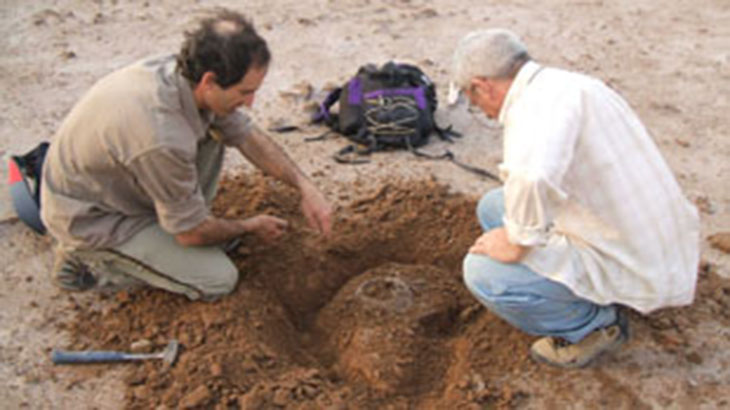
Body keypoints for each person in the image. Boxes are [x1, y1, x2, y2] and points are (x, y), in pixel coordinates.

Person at [40, 10, 333, 301]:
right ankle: (89, 262)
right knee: (218, 279)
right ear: (209, 81)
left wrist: (305, 187)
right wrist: (246, 227)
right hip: (93, 218)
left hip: (118, 182)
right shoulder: (162, 137)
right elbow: (190, 236)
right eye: (244, 92)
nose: (251, 103)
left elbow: (248, 137)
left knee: (217, 131)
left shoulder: (183, 76)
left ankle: (177, 221)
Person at [450, 29, 700, 368]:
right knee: (495, 205)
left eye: (472, 99)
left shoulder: (531, 117)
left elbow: (533, 176)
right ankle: (590, 290)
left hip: (630, 254)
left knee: (484, 273)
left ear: (482, 86)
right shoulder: (571, 85)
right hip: (654, 237)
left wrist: (516, 243)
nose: (478, 108)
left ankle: (593, 327)